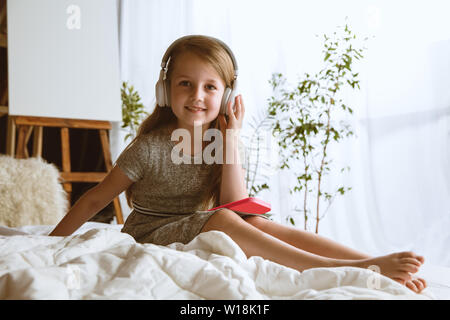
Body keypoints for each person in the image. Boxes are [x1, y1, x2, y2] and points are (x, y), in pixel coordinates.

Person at [49, 35, 427, 294]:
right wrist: (47, 243)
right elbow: (94, 200)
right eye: (185, 84)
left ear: (226, 95)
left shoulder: (220, 141)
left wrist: (232, 137)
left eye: (210, 87)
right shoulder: (148, 148)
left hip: (198, 224)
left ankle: (368, 260)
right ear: (165, 91)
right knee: (225, 220)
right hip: (151, 231)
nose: (197, 96)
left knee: (255, 221)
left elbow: (234, 201)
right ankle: (345, 270)